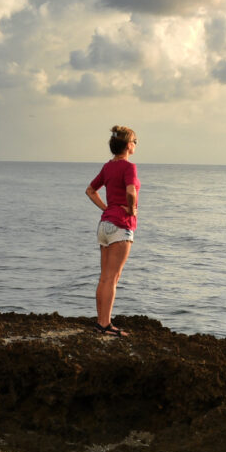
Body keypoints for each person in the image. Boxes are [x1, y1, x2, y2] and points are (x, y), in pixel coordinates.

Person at [84, 125, 138, 336]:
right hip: (120, 227)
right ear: (127, 145)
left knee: (104, 278)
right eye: (135, 141)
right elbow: (131, 192)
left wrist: (107, 209)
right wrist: (132, 210)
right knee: (112, 278)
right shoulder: (129, 167)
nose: (135, 144)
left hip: (104, 226)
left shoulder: (108, 167)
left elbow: (90, 190)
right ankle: (105, 325)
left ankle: (101, 322)